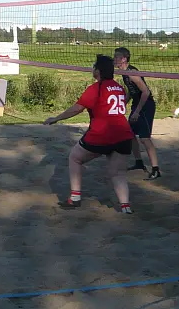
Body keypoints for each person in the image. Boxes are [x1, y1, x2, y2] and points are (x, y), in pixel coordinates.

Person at [44, 55, 135, 214]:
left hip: (101, 135)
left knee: (75, 158)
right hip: (124, 135)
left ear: (98, 71)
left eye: (94, 67)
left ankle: (75, 198)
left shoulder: (95, 88)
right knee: (118, 173)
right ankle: (125, 207)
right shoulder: (119, 88)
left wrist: (56, 118)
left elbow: (77, 108)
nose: (92, 69)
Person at [113, 47, 161, 179]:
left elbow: (146, 92)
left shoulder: (132, 72)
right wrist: (123, 103)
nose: (114, 59)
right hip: (137, 105)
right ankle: (139, 163)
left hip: (146, 106)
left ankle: (155, 169)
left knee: (144, 138)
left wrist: (137, 112)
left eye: (116, 57)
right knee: (130, 134)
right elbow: (131, 91)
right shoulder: (124, 72)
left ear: (124, 59)